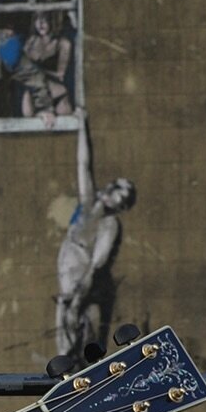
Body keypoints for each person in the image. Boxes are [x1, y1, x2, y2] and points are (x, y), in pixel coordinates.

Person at [54, 109, 136, 367]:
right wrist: (82, 125)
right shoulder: (89, 203)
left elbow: (96, 265)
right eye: (115, 189)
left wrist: (79, 298)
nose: (112, 195)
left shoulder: (109, 223)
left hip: (82, 292)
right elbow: (84, 164)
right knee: (63, 351)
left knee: (76, 354)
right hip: (68, 291)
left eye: (119, 198)